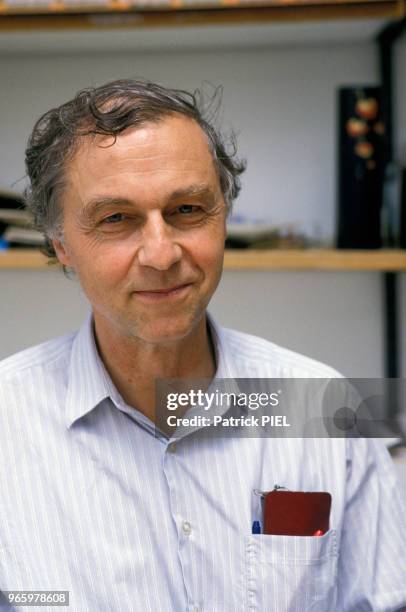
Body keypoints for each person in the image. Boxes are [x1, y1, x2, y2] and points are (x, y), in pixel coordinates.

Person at [0, 79, 405, 612]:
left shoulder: (331, 408)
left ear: (224, 216)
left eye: (187, 209)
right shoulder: (9, 421)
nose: (162, 253)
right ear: (61, 244)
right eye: (116, 219)